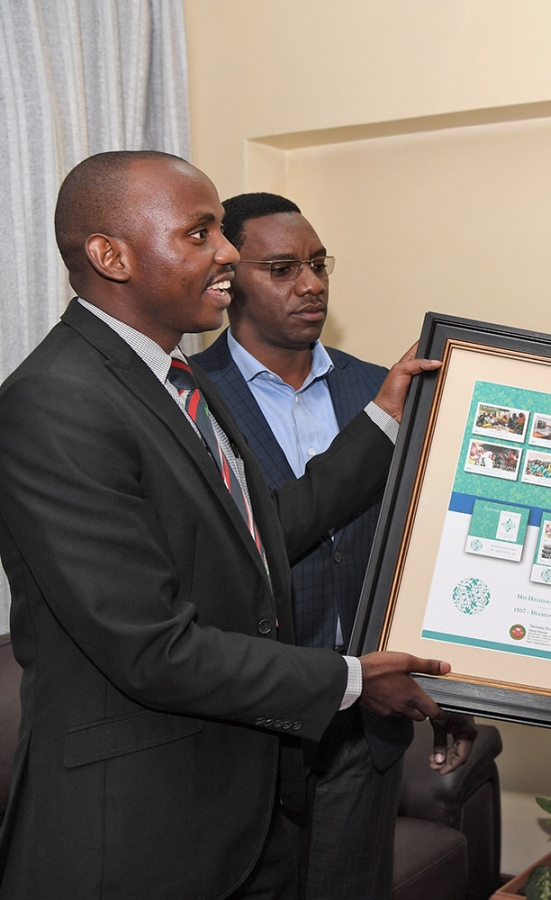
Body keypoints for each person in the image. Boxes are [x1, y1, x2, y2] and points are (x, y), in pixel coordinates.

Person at [0, 151, 471, 900]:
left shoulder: (176, 382)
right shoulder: (56, 402)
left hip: (238, 803)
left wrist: (382, 417)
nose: (225, 253)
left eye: (222, 231)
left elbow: (263, 540)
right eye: (200, 234)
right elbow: (151, 648)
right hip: (139, 828)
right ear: (110, 256)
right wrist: (351, 678)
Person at [191, 193, 435, 900]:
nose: (312, 284)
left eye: (319, 264)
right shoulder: (189, 400)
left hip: (367, 731)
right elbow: (233, 556)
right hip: (250, 735)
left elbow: (424, 536)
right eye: (283, 267)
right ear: (231, 275)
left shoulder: (379, 387)